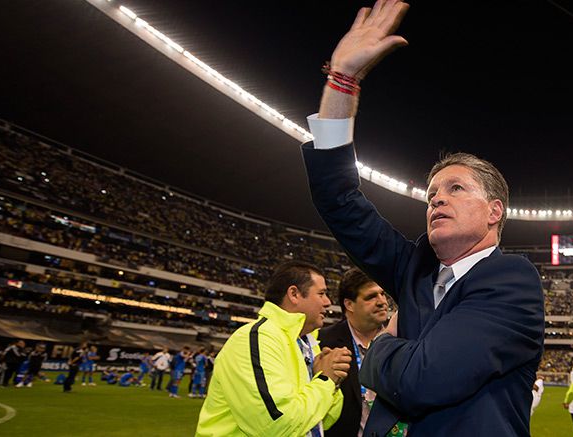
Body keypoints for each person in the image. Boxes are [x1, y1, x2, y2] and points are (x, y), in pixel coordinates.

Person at [301, 2, 544, 435]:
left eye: (455, 189)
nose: (436, 201)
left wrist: (378, 347)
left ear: (494, 212)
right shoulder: (414, 267)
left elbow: (422, 382)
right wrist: (343, 80)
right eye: (431, 194)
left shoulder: (512, 280)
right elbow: (337, 197)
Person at [196, 261, 352, 436]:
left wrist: (333, 383)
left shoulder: (306, 343)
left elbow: (323, 421)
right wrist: (325, 379)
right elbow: (276, 426)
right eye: (322, 294)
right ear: (294, 294)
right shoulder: (257, 339)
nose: (328, 302)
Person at [319, 267, 390, 437]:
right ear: (349, 304)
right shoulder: (324, 342)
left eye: (382, 294)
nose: (382, 301)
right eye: (371, 297)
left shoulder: (401, 338)